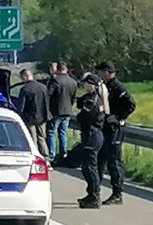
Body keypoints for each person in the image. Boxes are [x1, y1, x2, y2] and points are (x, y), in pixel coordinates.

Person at [96, 60, 137, 206]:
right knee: (99, 160)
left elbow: (131, 104)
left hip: (114, 129)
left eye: (101, 72)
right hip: (104, 128)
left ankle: (117, 193)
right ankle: (95, 192)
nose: (99, 74)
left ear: (107, 72)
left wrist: (118, 116)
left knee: (114, 162)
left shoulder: (118, 88)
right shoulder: (104, 87)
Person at [75, 73, 108, 209]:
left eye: (86, 83)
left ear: (92, 84)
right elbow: (79, 103)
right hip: (93, 135)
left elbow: (82, 116)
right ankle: (91, 194)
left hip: (92, 135)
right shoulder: (94, 97)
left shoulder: (93, 100)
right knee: (87, 167)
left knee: (90, 167)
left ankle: (95, 196)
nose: (84, 85)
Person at [46, 61, 78, 166]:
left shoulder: (55, 80)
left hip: (56, 111)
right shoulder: (73, 82)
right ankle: (63, 154)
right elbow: (73, 98)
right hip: (68, 111)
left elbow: (49, 96)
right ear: (66, 69)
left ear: (58, 70)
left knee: (51, 132)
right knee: (63, 133)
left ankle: (52, 155)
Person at [16, 68, 50, 158]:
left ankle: (35, 155)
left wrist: (18, 115)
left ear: (25, 76)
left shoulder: (25, 89)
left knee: (32, 138)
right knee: (42, 137)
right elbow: (47, 102)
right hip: (42, 117)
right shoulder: (43, 87)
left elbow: (21, 106)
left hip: (29, 118)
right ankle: (46, 156)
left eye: (22, 78)